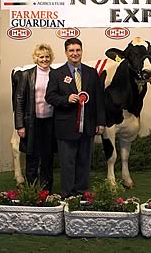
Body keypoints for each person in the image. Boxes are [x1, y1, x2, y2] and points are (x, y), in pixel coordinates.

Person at [45, 38, 105, 198]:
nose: (75, 53)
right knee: (67, 163)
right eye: (71, 50)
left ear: (82, 51)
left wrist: (100, 122)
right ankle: (67, 194)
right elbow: (49, 96)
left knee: (84, 161)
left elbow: (99, 99)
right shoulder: (57, 73)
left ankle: (82, 193)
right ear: (66, 53)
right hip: (66, 127)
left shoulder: (92, 73)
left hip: (88, 126)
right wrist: (66, 99)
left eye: (78, 50)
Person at [15, 43, 56, 192]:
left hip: (50, 122)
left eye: (47, 56)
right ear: (36, 58)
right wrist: (19, 125)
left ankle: (46, 192)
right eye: (41, 56)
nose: (44, 59)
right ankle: (31, 191)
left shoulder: (56, 74)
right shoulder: (27, 75)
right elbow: (19, 100)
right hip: (31, 123)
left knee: (47, 159)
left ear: (50, 58)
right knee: (32, 157)